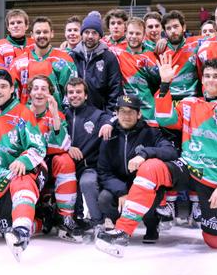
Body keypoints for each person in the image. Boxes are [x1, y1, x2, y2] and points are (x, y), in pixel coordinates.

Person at [97, 57, 217, 257]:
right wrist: (164, 84)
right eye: (207, 76)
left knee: (215, 241)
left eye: (216, 76)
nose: (211, 80)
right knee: (151, 168)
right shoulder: (189, 103)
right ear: (202, 80)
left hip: (214, 177)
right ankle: (122, 231)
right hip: (187, 166)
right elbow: (165, 119)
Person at [93, 95, 178, 253]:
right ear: (116, 114)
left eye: (131, 112)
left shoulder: (151, 132)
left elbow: (171, 152)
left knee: (153, 197)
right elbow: (104, 171)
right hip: (119, 185)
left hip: (144, 184)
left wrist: (146, 153)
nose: (126, 116)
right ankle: (119, 227)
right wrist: (122, 192)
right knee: (104, 198)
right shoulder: (109, 135)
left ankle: (152, 225)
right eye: (122, 111)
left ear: (139, 114)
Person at [0, 69, 47, 261]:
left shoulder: (23, 112)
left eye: (3, 86)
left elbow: (38, 147)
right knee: (3, 226)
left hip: (27, 169)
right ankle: (44, 220)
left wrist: (23, 160)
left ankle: (22, 232)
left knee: (21, 181)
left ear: (12, 89)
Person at [27, 75, 81, 242]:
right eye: (36, 88)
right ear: (29, 92)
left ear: (50, 93)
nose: (39, 92)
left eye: (44, 89)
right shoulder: (20, 113)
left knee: (65, 160)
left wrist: (55, 115)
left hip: (48, 162)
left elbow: (64, 145)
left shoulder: (57, 115)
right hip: (27, 163)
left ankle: (66, 217)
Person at [64, 77, 113, 229]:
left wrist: (108, 124)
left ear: (86, 95)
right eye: (71, 92)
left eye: (78, 92)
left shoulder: (96, 115)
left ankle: (98, 222)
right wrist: (67, 148)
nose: (74, 95)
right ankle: (75, 219)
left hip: (88, 166)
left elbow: (111, 118)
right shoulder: (62, 115)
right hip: (66, 168)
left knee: (88, 182)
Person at [9, 16, 77, 104]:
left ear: (52, 33)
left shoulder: (64, 60)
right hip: (27, 112)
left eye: (45, 32)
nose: (42, 35)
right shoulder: (19, 63)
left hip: (55, 112)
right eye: (38, 32)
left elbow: (72, 94)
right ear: (32, 35)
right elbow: (11, 95)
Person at [109, 18, 160, 125]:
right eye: (131, 33)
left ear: (144, 35)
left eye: (138, 33)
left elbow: (158, 85)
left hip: (147, 111)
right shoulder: (116, 51)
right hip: (125, 110)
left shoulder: (151, 57)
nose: (134, 36)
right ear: (126, 34)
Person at [69, 11, 123, 113]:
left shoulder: (109, 58)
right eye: (87, 32)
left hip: (100, 115)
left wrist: (108, 116)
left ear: (100, 36)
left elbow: (115, 90)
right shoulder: (72, 56)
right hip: (75, 113)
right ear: (82, 34)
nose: (90, 36)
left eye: (94, 32)